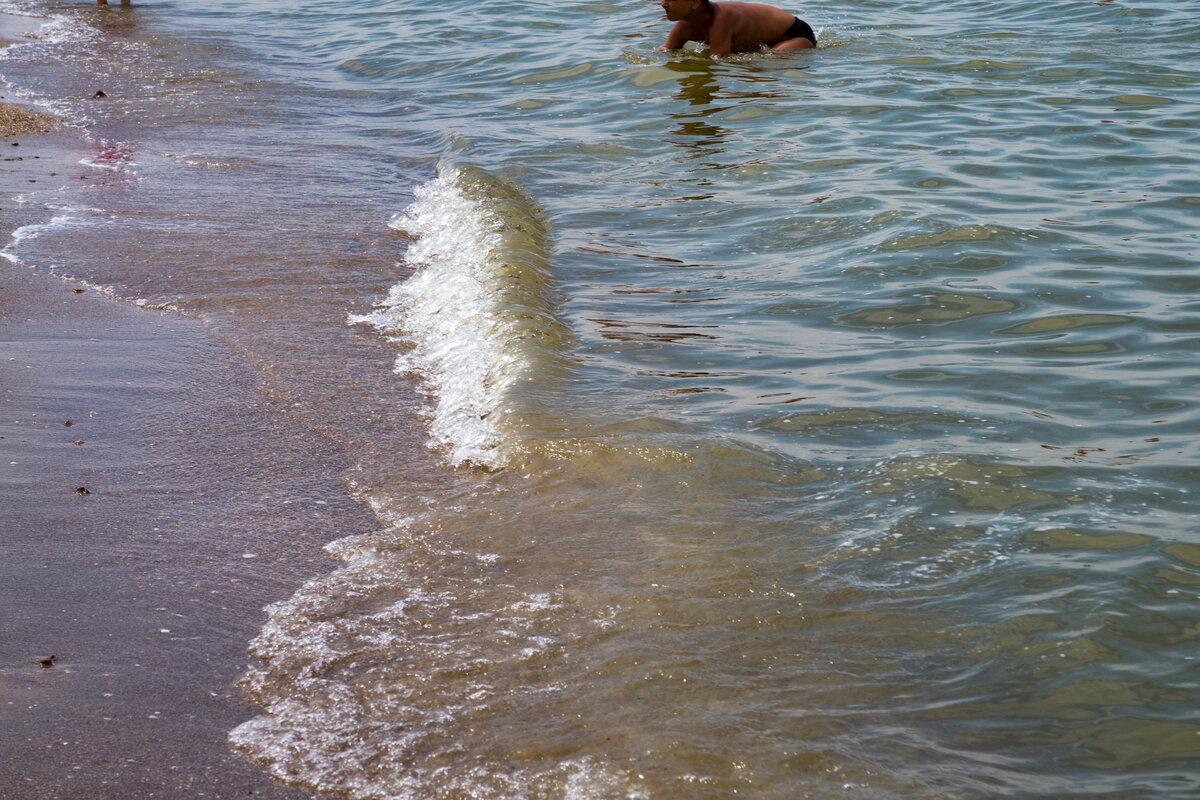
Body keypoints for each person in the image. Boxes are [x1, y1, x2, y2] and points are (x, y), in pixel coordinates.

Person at [655, 0, 816, 56]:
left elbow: (718, 61)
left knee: (767, 60)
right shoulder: (683, 27)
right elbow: (667, 52)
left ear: (696, 3)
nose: (663, 3)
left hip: (794, 35)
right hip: (765, 40)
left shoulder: (721, 19)